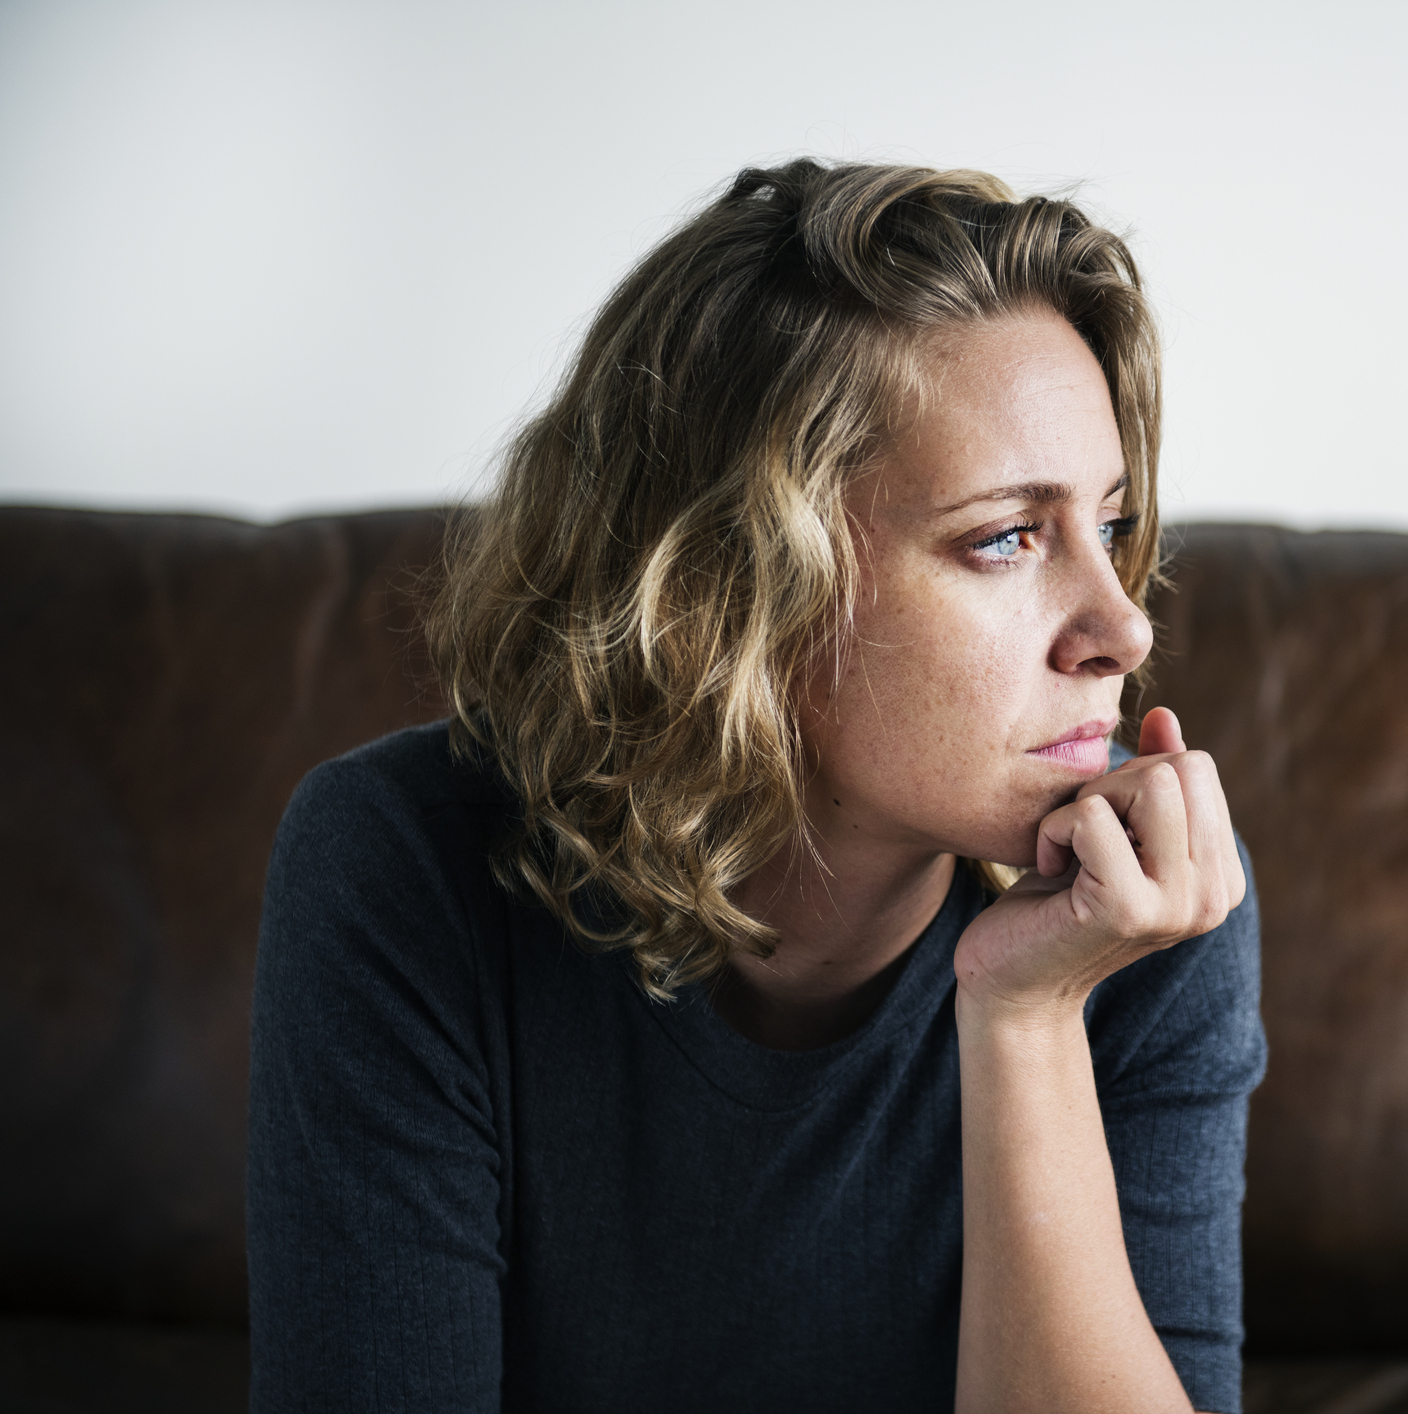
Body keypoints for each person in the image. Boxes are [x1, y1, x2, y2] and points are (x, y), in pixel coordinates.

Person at [246, 159, 1264, 1414]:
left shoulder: (1145, 901)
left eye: (1108, 527)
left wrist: (1027, 1020)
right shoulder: (402, 866)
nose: (1122, 627)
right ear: (733, 589)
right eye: (1005, 536)